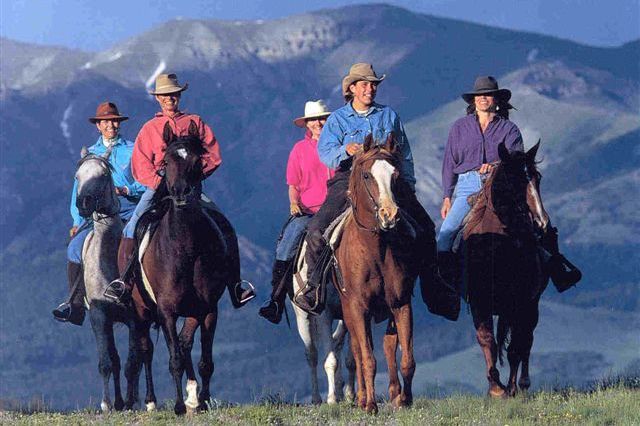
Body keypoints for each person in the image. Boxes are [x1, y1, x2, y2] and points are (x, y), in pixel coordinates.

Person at [294, 63, 452, 316]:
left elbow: (405, 153)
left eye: (374, 84)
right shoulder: (337, 119)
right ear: (352, 88)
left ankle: (433, 287)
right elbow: (325, 152)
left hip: (389, 181)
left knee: (425, 227)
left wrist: (407, 185)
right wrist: (345, 150)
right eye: (365, 84)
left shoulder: (389, 115)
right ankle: (314, 287)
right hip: (349, 179)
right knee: (316, 230)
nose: (371, 89)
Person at [102, 73, 255, 307]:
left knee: (223, 224)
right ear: (158, 99)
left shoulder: (195, 122)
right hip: (158, 188)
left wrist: (193, 175)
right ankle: (124, 282)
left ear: (179, 95)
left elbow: (214, 156)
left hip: (191, 188)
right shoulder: (149, 129)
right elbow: (140, 164)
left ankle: (235, 285)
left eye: (172, 94)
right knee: (132, 226)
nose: (169, 98)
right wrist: (158, 182)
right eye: (164, 95)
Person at [438, 75, 580, 291]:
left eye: (488, 94)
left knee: (541, 225)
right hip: (467, 186)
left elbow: (515, 162)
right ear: (473, 101)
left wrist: (494, 166)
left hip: (502, 186)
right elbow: (449, 162)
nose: (483, 98)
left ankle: (558, 272)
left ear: (497, 100)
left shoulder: (509, 129)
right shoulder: (459, 128)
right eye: (479, 95)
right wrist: (447, 196)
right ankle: (445, 289)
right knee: (446, 234)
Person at [52, 101, 145, 325]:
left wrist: (127, 189)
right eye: (106, 122)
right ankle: (75, 304)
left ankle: (150, 296)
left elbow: (146, 183)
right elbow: (79, 190)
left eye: (114, 121)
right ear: (98, 126)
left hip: (129, 210)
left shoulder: (134, 150)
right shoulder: (90, 154)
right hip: (98, 216)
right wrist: (77, 220)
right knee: (75, 248)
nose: (111, 125)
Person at [258, 100, 335, 324]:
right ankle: (276, 299)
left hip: (338, 206)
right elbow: (293, 183)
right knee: (288, 243)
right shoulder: (299, 150)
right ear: (306, 124)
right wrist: (294, 203)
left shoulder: (338, 144)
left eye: (322, 118)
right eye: (313, 120)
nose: (318, 123)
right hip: (310, 209)